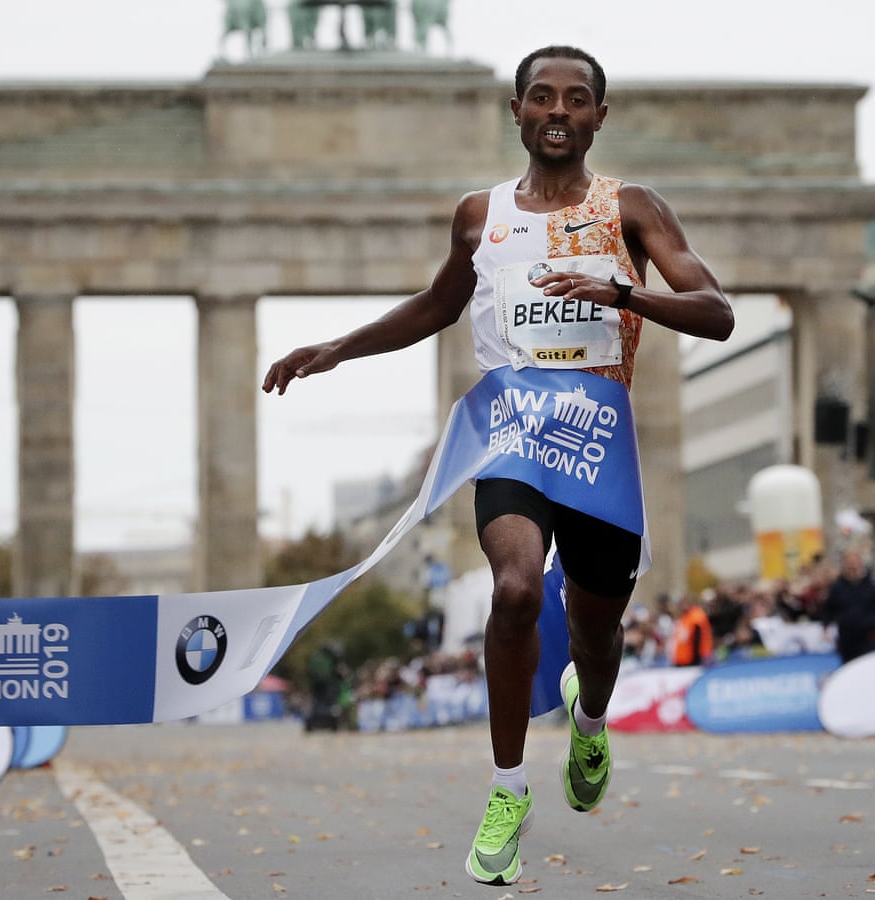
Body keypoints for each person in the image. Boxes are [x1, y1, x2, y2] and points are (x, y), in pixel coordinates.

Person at [262, 45, 733, 886]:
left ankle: (590, 722)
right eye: (541, 97)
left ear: (597, 117)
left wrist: (623, 294)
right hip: (512, 424)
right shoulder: (479, 216)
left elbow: (716, 313)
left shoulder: (631, 208)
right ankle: (508, 788)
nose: (559, 110)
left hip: (594, 433)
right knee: (514, 590)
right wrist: (336, 348)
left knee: (594, 627)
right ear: (515, 112)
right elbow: (439, 306)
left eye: (577, 99)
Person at [818, 548, 875, 664]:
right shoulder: (837, 587)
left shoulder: (873, 585)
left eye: (854, 562)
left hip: (869, 636)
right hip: (846, 638)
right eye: (849, 563)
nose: (852, 566)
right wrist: (825, 628)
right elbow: (828, 609)